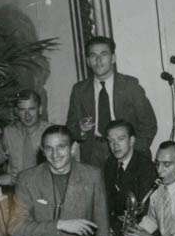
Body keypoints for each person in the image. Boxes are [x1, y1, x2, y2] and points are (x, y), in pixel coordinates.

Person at [66, 35, 158, 168]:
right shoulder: (79, 90)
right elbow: (70, 126)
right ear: (87, 61)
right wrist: (81, 129)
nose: (98, 60)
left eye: (103, 54)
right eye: (93, 56)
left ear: (113, 58)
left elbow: (149, 124)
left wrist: (133, 151)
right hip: (94, 154)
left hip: (127, 150)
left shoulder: (130, 86)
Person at [102, 119, 158, 227]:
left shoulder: (146, 168)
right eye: (111, 141)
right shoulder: (110, 162)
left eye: (120, 139)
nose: (115, 145)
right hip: (114, 225)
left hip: (137, 229)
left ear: (132, 141)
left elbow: (144, 212)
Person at [0, 89, 48, 184]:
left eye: (31, 109)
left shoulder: (51, 133)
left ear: (40, 109)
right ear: (17, 111)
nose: (27, 115)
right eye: (22, 110)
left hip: (43, 188)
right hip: (15, 189)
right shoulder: (9, 132)